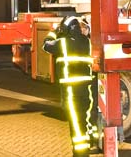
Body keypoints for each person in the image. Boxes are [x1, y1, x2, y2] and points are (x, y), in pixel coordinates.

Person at [43, 16, 98, 157]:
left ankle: (80, 153)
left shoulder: (63, 43)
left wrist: (54, 31)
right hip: (86, 89)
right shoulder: (87, 42)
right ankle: (91, 142)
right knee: (85, 119)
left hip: (70, 91)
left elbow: (46, 45)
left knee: (76, 124)